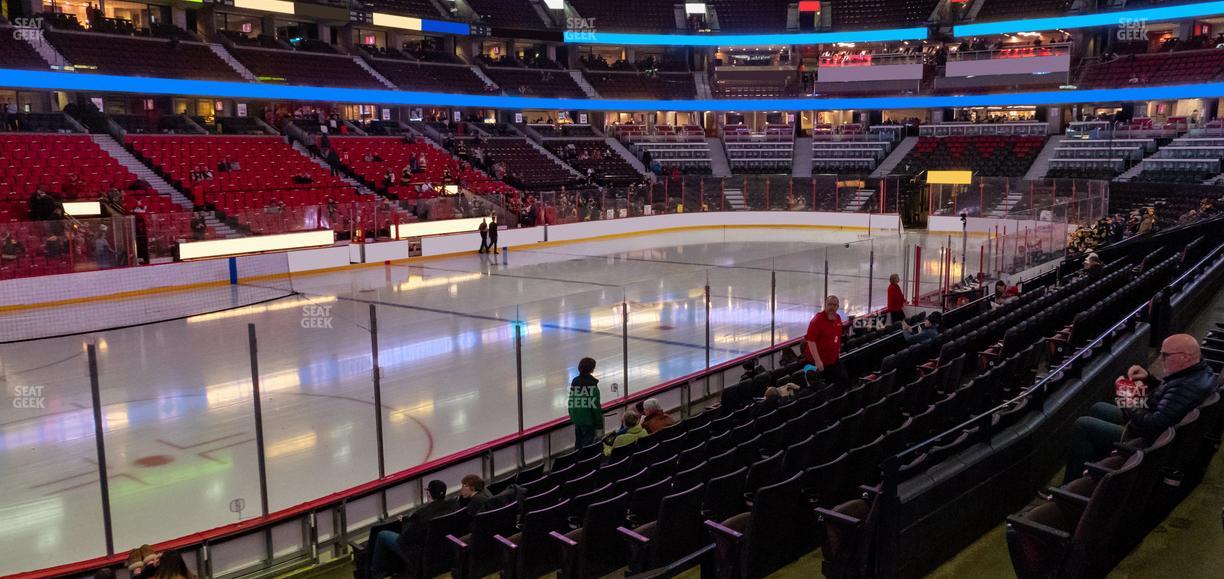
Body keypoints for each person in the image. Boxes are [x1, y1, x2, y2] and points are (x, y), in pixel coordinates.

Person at [1063, 334, 1217, 482]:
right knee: (1098, 408)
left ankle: (1069, 484)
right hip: (1148, 424)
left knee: (1082, 425)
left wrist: (1130, 403)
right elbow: (1168, 397)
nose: (1162, 360)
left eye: (1165, 355)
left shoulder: (1185, 387)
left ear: (1185, 356)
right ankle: (1094, 467)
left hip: (1143, 439)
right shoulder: (1199, 371)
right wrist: (1149, 379)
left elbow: (1154, 424)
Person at [368, 479, 454, 579]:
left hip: (418, 553)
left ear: (428, 494)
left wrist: (406, 522)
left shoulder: (421, 514)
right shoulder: (452, 505)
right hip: (441, 552)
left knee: (382, 535)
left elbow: (406, 538)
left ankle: (376, 573)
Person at [805, 295, 848, 390]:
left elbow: (837, 336)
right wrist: (817, 361)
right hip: (817, 364)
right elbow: (811, 341)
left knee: (843, 381)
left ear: (837, 307)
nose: (832, 307)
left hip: (833, 360)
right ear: (825, 305)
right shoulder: (816, 321)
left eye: (834, 305)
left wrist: (838, 351)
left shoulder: (838, 318)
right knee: (823, 389)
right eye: (829, 304)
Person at [569, 357, 602, 448]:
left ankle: (577, 460)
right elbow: (595, 406)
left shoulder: (574, 382)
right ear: (592, 369)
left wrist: (572, 416)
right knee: (587, 446)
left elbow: (571, 401)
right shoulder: (592, 385)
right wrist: (599, 423)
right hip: (588, 421)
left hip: (577, 420)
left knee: (578, 443)